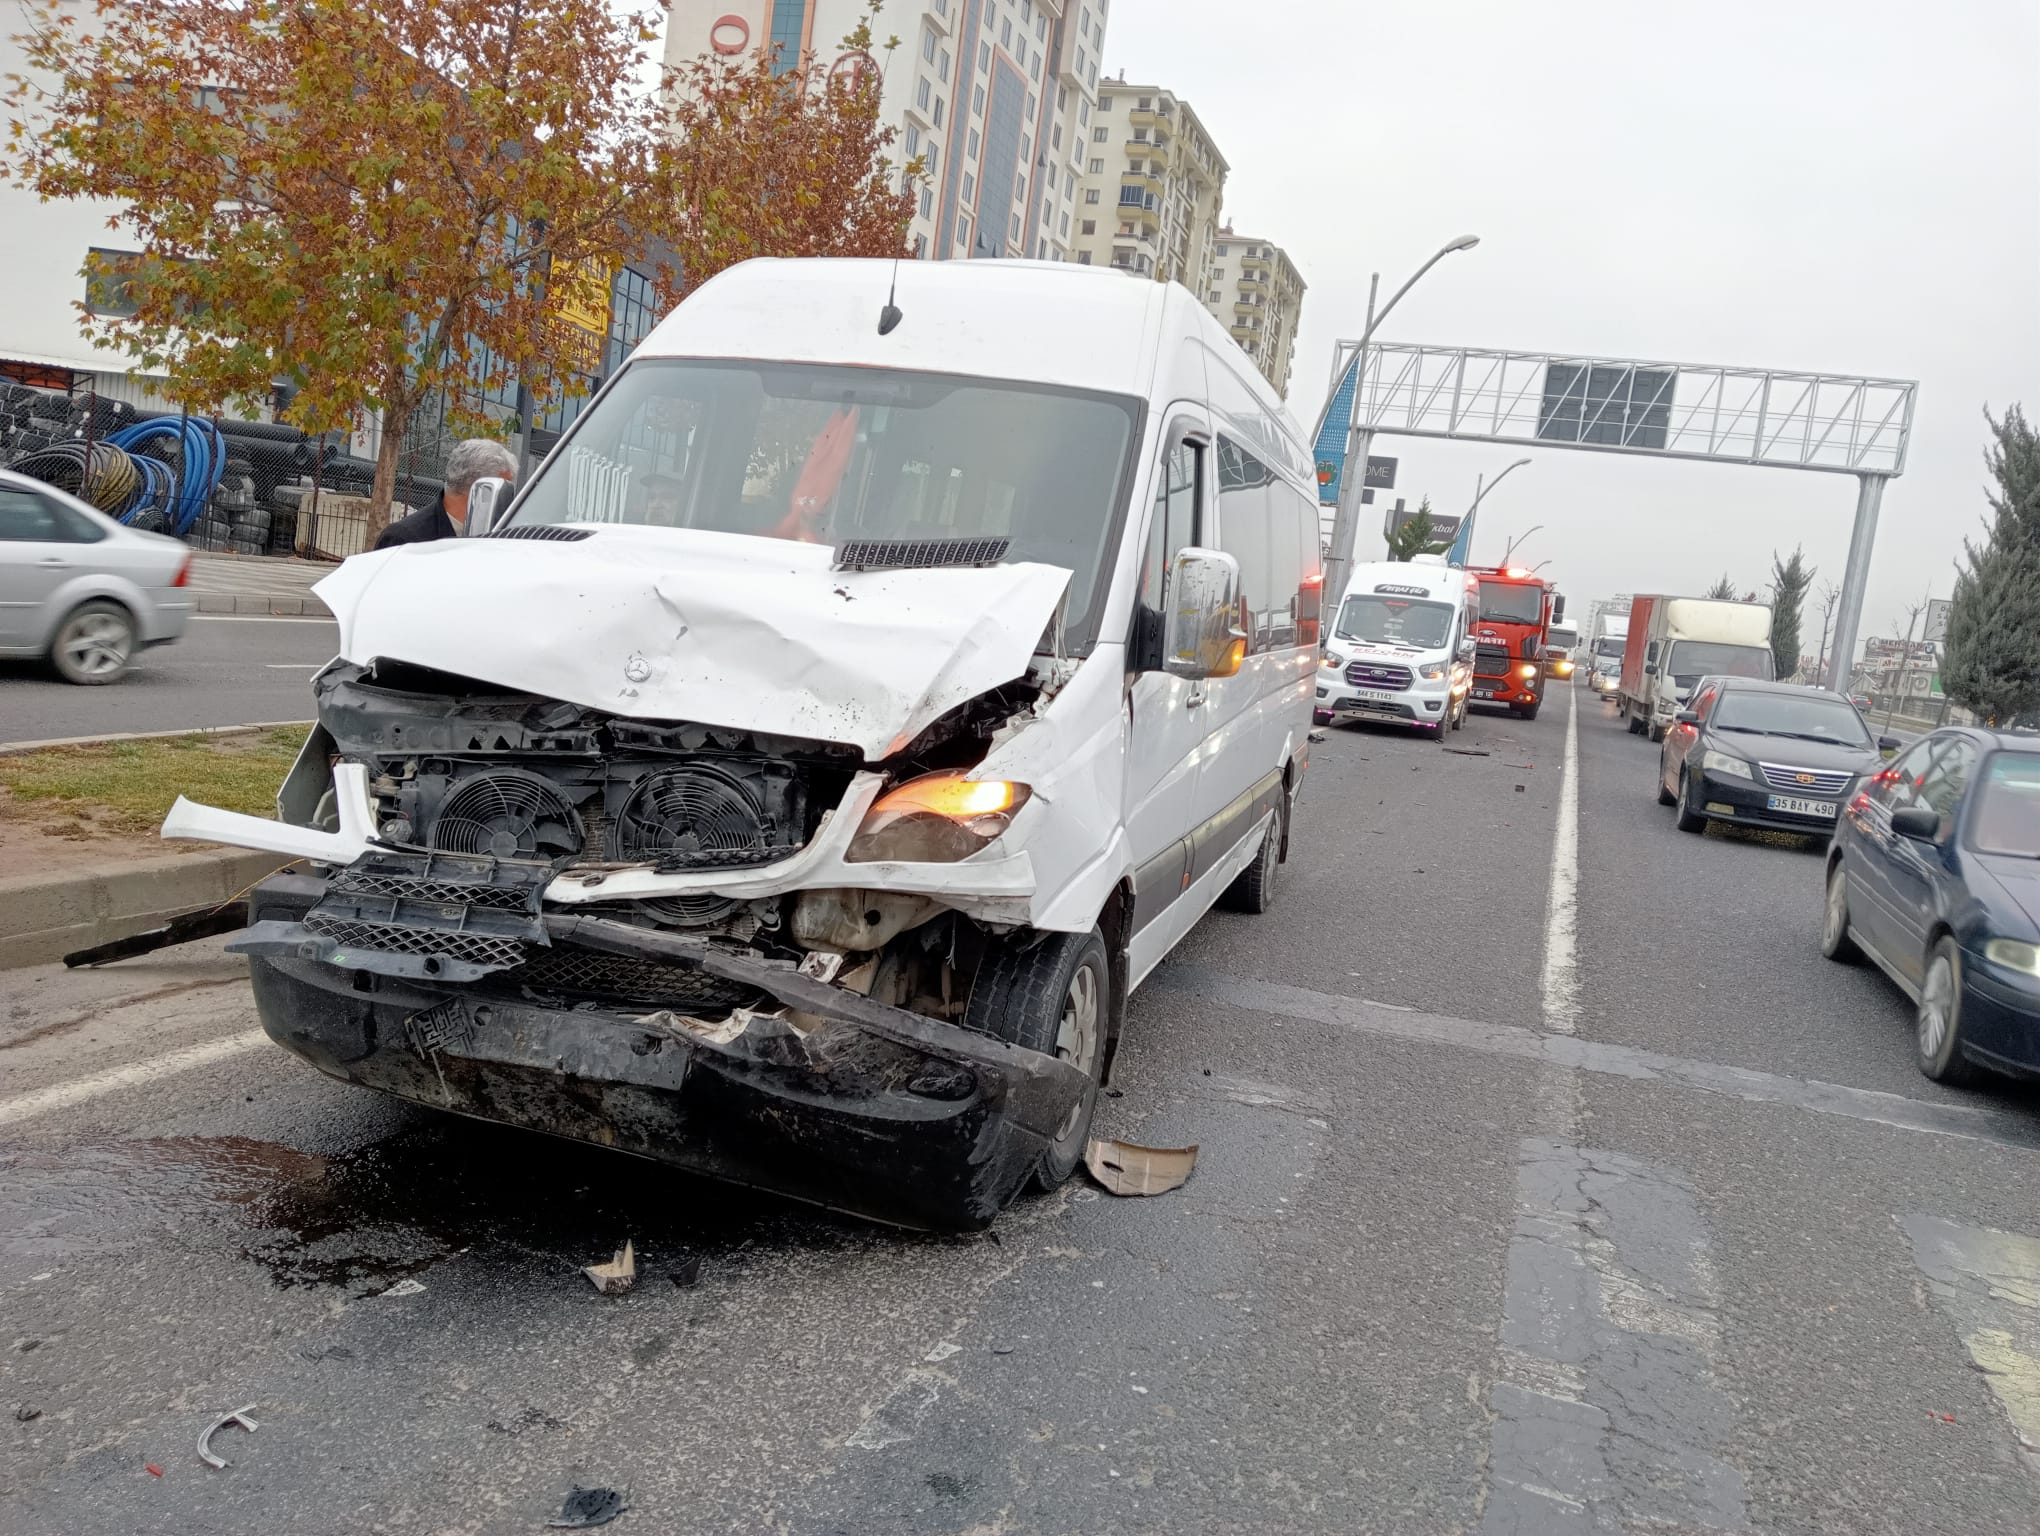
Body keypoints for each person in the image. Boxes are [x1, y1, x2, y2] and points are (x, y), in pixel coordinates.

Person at [372, 438, 519, 549]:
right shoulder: (404, 540)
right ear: (481, 490)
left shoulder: (502, 538)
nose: (510, 500)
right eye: (504, 490)